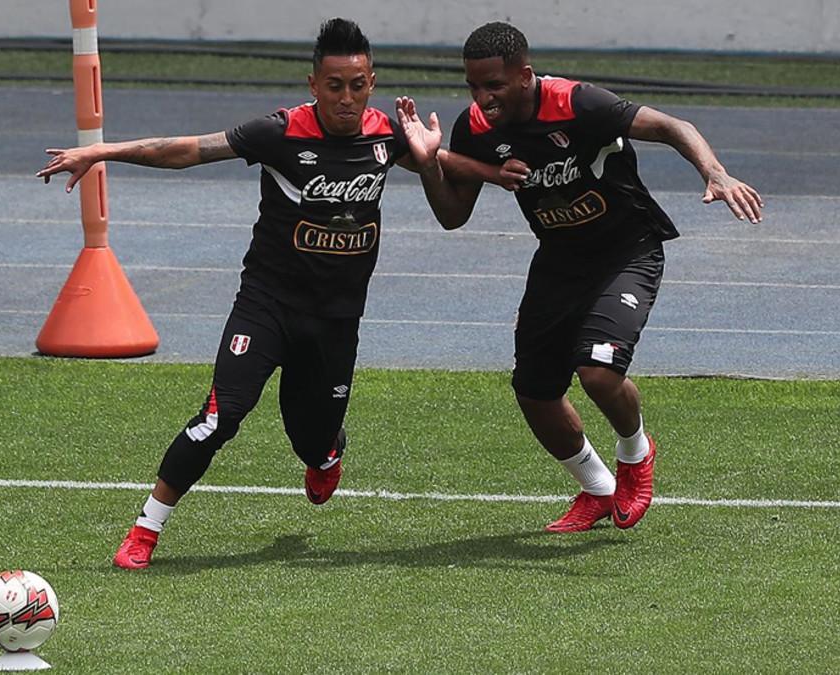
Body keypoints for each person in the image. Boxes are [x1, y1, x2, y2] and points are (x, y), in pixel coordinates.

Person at [38, 18, 504, 569]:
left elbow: (450, 196)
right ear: (313, 85)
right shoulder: (280, 132)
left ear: (371, 82)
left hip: (335, 323)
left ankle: (325, 453)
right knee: (220, 416)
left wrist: (452, 165)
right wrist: (103, 152)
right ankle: (145, 529)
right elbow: (189, 149)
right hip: (267, 308)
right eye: (334, 86)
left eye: (357, 86)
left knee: (312, 440)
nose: (346, 99)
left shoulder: (388, 134)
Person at [398, 22, 764, 533]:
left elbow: (673, 126)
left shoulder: (579, 103)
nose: (482, 98)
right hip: (559, 261)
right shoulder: (477, 127)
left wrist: (714, 171)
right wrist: (429, 164)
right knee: (534, 392)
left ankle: (636, 453)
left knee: (598, 371)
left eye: (494, 86)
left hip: (627, 251)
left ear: (525, 76)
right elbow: (453, 215)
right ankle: (597, 488)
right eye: (473, 87)